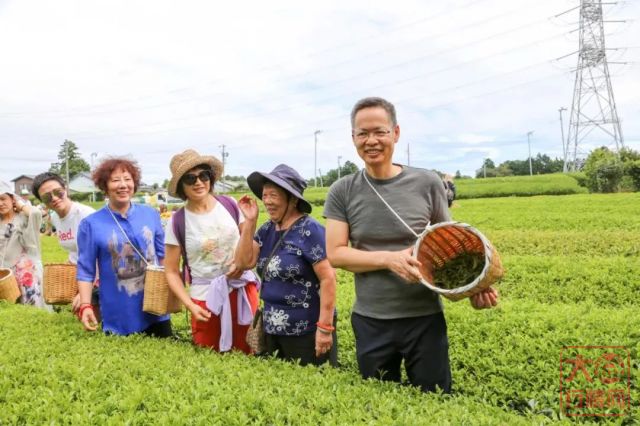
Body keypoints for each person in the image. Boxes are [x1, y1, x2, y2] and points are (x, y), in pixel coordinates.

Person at [323, 97, 498, 392]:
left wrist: (474, 289)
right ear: (353, 138)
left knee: (435, 400)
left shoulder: (427, 183)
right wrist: (388, 259)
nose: (371, 141)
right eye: (362, 133)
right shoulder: (342, 190)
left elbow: (453, 246)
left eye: (380, 131)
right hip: (371, 319)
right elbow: (336, 254)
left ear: (396, 133)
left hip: (424, 318)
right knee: (378, 404)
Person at [235, 164, 337, 366]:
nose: (268, 201)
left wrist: (324, 329)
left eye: (274, 195)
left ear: (292, 199)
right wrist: (250, 222)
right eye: (265, 195)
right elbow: (243, 262)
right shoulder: (266, 230)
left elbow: (328, 279)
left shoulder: (310, 230)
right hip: (272, 330)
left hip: (306, 332)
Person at [164, 149, 258, 353]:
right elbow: (171, 270)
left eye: (203, 175)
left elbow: (250, 244)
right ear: (181, 186)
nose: (198, 182)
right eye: (190, 179)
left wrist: (241, 262)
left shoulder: (230, 205)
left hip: (241, 291)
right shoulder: (177, 221)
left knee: (249, 354)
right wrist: (190, 305)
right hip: (205, 300)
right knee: (210, 355)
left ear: (210, 178)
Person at [76, 158, 172, 337]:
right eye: (115, 180)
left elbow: (164, 256)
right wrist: (85, 305)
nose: (123, 185)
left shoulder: (150, 214)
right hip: (119, 314)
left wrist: (175, 289)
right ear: (105, 186)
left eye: (127, 179)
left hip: (157, 306)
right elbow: (85, 271)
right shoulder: (90, 224)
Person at [32, 172, 97, 313]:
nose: (54, 198)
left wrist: (86, 292)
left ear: (65, 189)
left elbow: (103, 255)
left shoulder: (86, 215)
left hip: (99, 275)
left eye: (58, 192)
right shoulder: (55, 217)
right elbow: (75, 251)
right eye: (47, 197)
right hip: (79, 273)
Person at [0, 180, 50, 310]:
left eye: (3, 199)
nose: (0, 203)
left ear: (12, 199)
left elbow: (36, 213)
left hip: (26, 273)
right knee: (13, 310)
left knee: (33, 308)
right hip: (6, 275)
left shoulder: (23, 217)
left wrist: (21, 205)